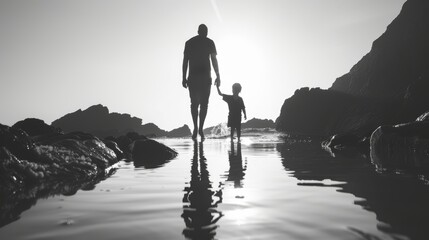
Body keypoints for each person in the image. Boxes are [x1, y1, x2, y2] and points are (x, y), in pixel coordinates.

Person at [182, 24, 221, 141]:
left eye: (206, 31)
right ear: (199, 31)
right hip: (196, 77)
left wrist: (218, 75)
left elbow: (214, 59)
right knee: (196, 104)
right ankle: (196, 128)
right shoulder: (190, 43)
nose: (206, 33)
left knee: (201, 104)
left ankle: (199, 128)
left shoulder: (208, 42)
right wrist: (183, 77)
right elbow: (185, 61)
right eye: (204, 31)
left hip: (203, 77)